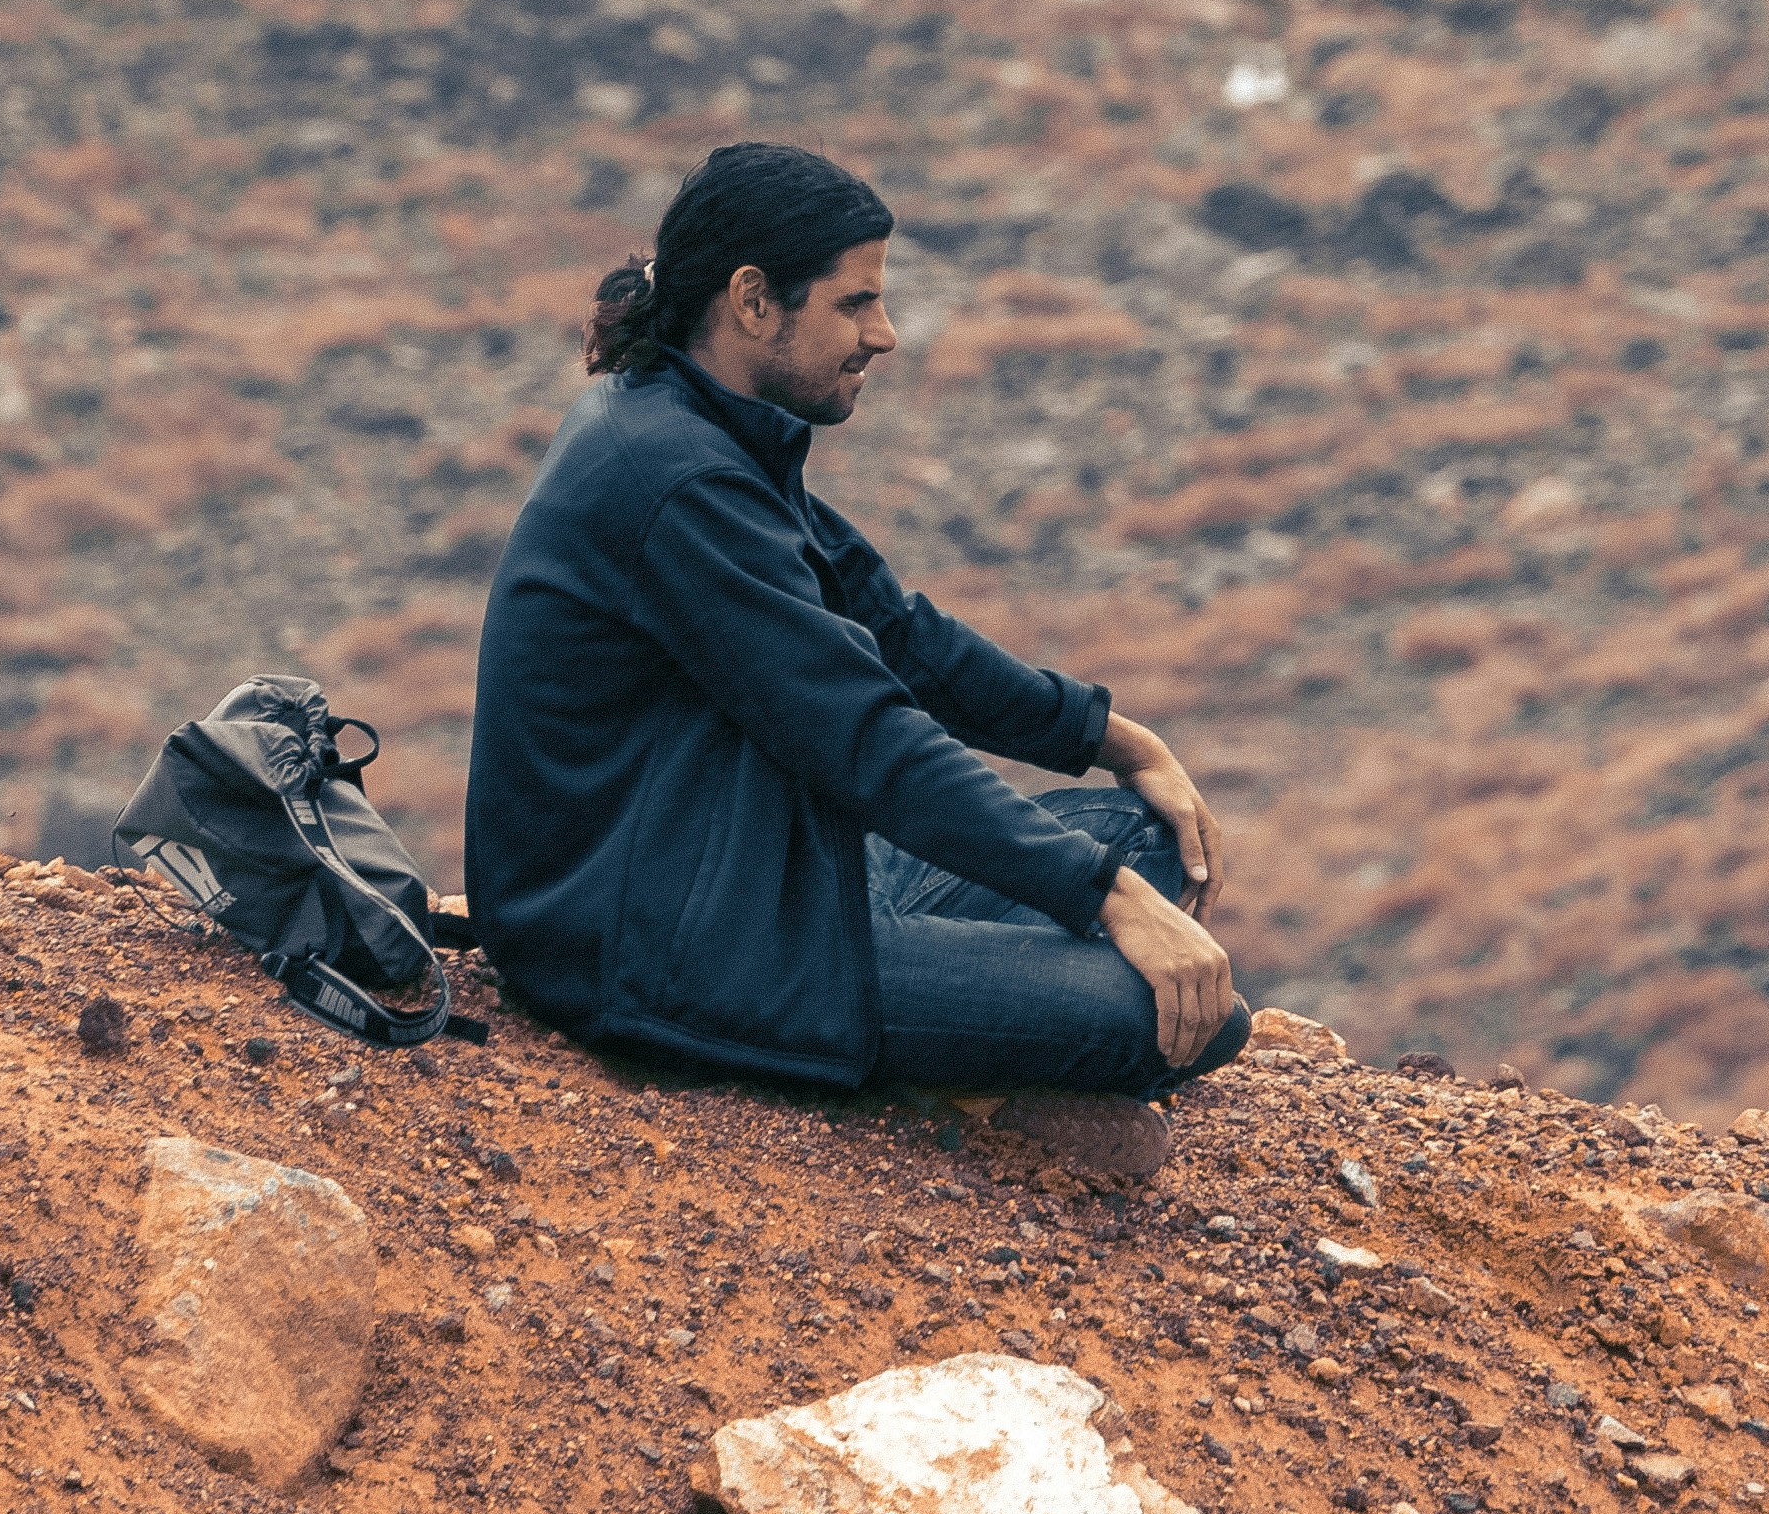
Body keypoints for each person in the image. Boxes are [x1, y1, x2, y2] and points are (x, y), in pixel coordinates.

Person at [465, 141, 1246, 1113]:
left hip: (762, 871)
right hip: (660, 947)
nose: (884, 335)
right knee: (1196, 1011)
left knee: (1150, 833)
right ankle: (921, 1043)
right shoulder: (678, 481)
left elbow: (899, 632)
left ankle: (968, 998)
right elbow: (868, 737)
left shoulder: (706, 428)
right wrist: (1104, 899)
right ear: (753, 301)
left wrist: (1115, 741)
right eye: (854, 303)